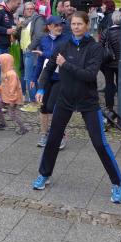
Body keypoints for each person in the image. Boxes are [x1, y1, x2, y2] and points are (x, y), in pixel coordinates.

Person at [32, 12, 121, 204]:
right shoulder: (63, 45)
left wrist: (65, 64)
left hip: (88, 101)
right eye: (73, 24)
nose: (75, 27)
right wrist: (41, 87)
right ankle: (44, 174)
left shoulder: (95, 48)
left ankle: (116, 183)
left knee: (99, 143)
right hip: (65, 99)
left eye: (79, 24)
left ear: (87, 25)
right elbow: (48, 68)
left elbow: (89, 75)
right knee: (53, 139)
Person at [33, 16, 70, 147]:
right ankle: (44, 134)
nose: (59, 27)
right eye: (56, 25)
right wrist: (34, 77)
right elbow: (40, 61)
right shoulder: (43, 40)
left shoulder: (66, 39)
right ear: (49, 27)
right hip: (46, 77)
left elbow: (59, 57)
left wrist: (44, 54)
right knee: (43, 107)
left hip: (60, 78)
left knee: (53, 107)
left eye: (61, 25)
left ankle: (60, 135)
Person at [17, 2, 44, 108]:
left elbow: (39, 35)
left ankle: (33, 102)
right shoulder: (25, 21)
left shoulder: (38, 19)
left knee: (29, 78)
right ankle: (37, 100)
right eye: (27, 8)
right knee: (32, 77)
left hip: (31, 52)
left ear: (34, 9)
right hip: (24, 51)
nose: (29, 10)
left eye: (31, 8)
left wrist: (30, 47)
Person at [0, 54, 28, 134]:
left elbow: (13, 88)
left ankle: (23, 128)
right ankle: (2, 123)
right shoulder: (5, 72)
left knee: (12, 114)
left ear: (6, 62)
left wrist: (12, 100)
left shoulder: (12, 74)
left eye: (0, 62)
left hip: (11, 98)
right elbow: (4, 85)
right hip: (4, 97)